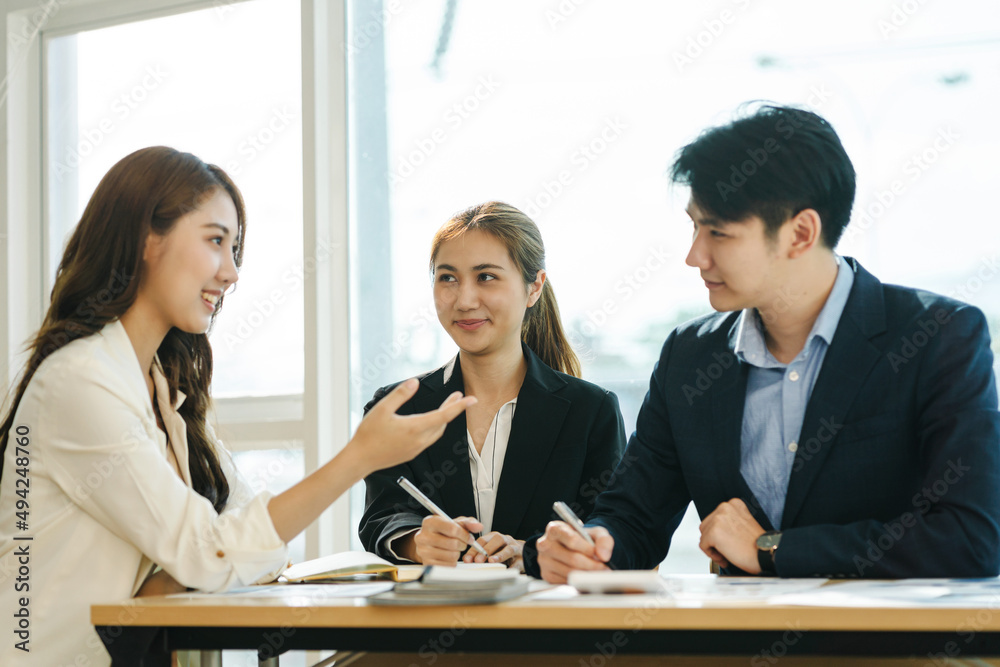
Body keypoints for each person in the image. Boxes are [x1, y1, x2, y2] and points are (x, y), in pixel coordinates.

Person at [0, 147, 474, 666]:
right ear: (145, 238)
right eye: (215, 241)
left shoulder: (161, 389)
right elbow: (215, 552)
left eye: (234, 249)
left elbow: (245, 540)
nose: (231, 272)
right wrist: (358, 458)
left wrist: (194, 563)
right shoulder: (80, 381)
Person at [537, 104, 1000, 581]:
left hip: (891, 649)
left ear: (800, 233)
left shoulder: (939, 336)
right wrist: (594, 543)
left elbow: (971, 538)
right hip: (739, 648)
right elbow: (633, 514)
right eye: (695, 226)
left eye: (718, 232)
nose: (694, 255)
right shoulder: (690, 357)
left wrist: (772, 549)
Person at [359, 201, 626, 573]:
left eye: (486, 276)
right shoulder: (397, 407)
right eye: (447, 278)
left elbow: (611, 530)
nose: (465, 300)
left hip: (550, 623)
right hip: (429, 620)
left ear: (534, 287)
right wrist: (418, 541)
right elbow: (382, 516)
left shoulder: (590, 411)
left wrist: (532, 553)